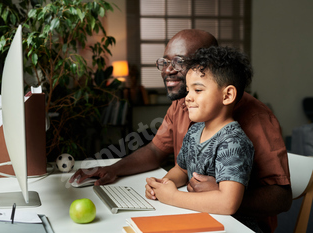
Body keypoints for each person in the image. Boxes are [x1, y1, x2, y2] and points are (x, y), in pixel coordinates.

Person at [70, 29, 292, 233]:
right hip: (195, 211)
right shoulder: (184, 104)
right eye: (165, 62)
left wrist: (221, 194)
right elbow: (157, 151)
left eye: (178, 61)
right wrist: (115, 169)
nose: (167, 70)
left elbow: (281, 198)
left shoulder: (253, 120)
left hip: (239, 223)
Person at [146, 45, 259, 231]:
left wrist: (172, 197)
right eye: (188, 91)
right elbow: (181, 170)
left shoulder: (233, 142)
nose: (187, 98)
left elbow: (228, 203)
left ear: (227, 95)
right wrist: (163, 185)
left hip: (231, 226)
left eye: (197, 90)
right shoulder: (194, 131)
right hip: (200, 217)